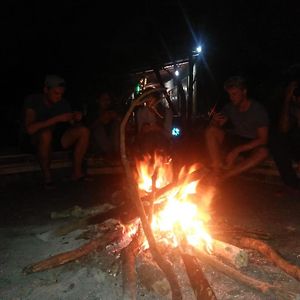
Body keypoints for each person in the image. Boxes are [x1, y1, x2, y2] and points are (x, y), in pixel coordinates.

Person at [23, 75, 90, 188]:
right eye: (56, 93)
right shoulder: (33, 101)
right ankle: (47, 178)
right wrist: (56, 119)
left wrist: (76, 118)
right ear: (46, 90)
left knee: (83, 131)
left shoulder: (63, 103)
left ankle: (77, 173)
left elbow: (72, 124)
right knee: (45, 134)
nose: (59, 97)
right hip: (35, 140)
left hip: (57, 138)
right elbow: (30, 129)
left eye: (61, 94)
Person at [205, 76, 270, 184]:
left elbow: (263, 139)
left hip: (251, 142)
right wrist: (214, 121)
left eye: (234, 94)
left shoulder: (258, 110)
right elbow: (217, 124)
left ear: (244, 92)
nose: (231, 98)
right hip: (235, 138)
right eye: (229, 94)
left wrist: (237, 151)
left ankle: (224, 176)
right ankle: (217, 170)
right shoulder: (230, 107)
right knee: (210, 131)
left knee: (263, 152)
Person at [269, 80, 300, 193]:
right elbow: (283, 128)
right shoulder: (291, 109)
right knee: (275, 138)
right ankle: (292, 183)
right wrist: (287, 100)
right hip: (296, 147)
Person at [135, 88, 173, 157]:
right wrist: (145, 129)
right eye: (146, 99)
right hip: (146, 143)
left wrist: (157, 128)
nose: (148, 101)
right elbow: (140, 132)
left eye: (150, 98)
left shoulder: (166, 112)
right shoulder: (141, 112)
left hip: (162, 142)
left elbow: (168, 134)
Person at [87, 90, 120, 162]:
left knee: (117, 125)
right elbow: (89, 129)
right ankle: (109, 153)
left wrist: (117, 118)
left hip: (112, 145)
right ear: (98, 101)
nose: (106, 102)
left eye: (108, 100)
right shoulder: (93, 113)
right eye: (104, 99)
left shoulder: (113, 113)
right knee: (98, 128)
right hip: (98, 146)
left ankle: (116, 152)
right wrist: (100, 120)